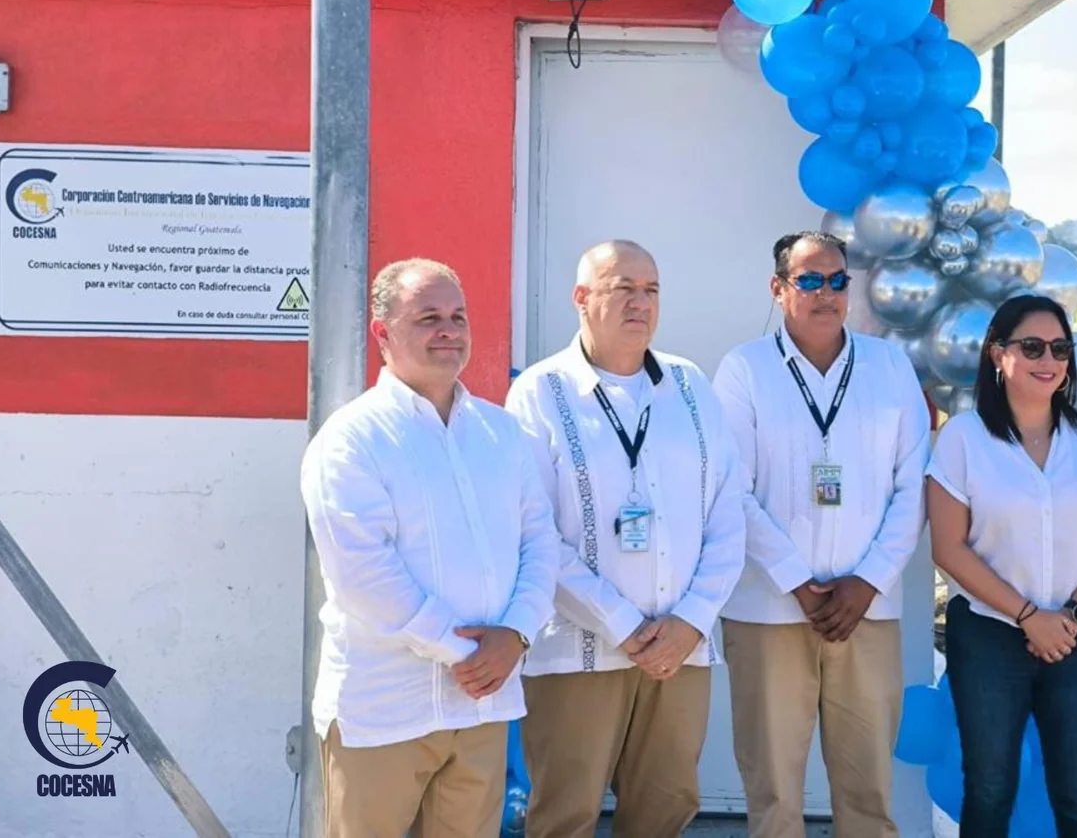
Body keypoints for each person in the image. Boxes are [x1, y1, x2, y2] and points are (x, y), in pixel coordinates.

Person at [299, 258, 560, 838]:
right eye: (428, 318)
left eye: (457, 316)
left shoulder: (501, 433)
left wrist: (516, 634)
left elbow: (541, 541)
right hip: (386, 710)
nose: (449, 330)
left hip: (482, 709)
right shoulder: (351, 439)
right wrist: (464, 652)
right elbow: (363, 574)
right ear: (383, 333)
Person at [504, 240, 748, 838]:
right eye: (623, 288)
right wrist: (622, 623)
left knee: (664, 810)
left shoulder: (690, 385)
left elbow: (727, 513)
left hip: (680, 651)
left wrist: (690, 620)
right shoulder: (539, 392)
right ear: (582, 299)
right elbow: (533, 530)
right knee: (566, 814)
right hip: (577, 650)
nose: (641, 302)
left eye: (652, 290)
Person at [712, 231, 931, 838]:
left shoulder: (889, 366)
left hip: (868, 610)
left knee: (868, 791)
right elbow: (734, 490)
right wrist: (800, 584)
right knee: (774, 790)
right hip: (768, 609)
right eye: (809, 280)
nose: (826, 293)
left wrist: (867, 581)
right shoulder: (744, 370)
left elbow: (913, 486)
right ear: (778, 288)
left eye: (837, 280)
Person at [925, 293, 1077, 838]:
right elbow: (949, 549)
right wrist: (1028, 616)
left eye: (1061, 348)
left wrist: (1074, 614)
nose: (1050, 360)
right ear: (998, 353)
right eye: (1033, 346)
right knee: (991, 789)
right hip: (990, 637)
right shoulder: (963, 439)